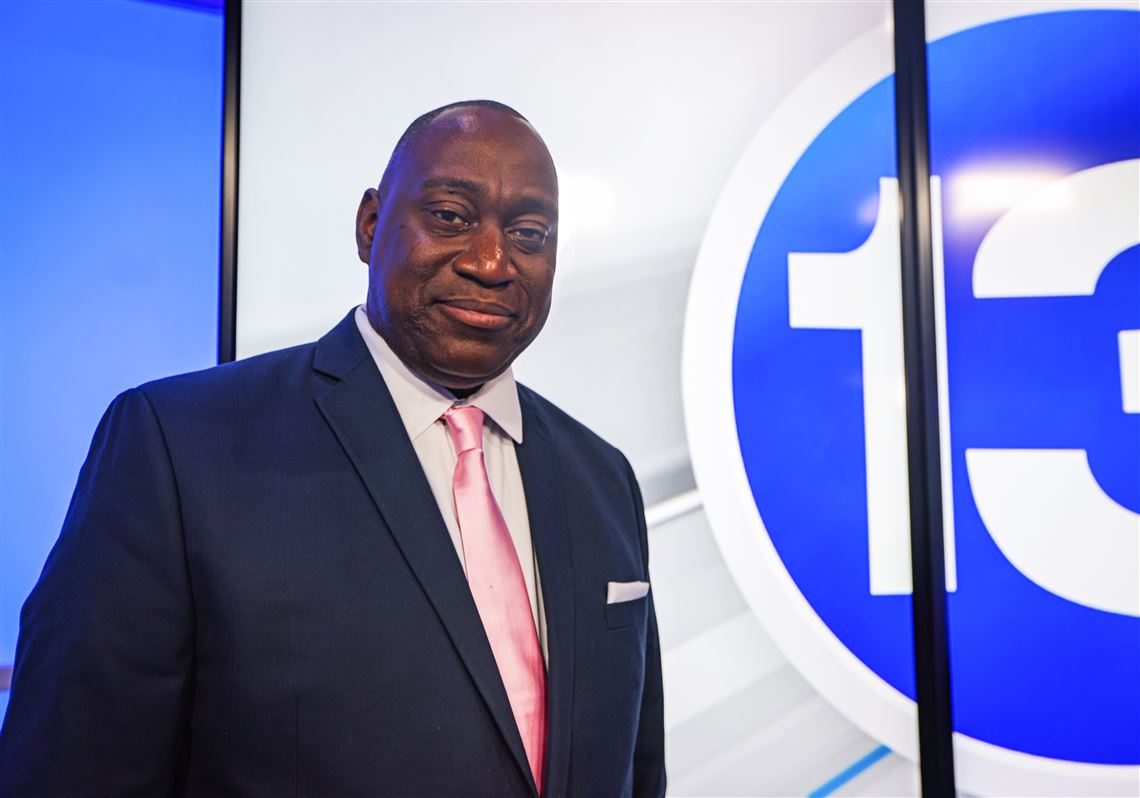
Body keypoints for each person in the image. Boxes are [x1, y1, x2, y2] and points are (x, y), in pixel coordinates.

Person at [0, 100, 666, 797]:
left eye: (528, 233)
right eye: (450, 216)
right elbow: (71, 771)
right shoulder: (177, 447)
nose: (492, 262)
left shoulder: (603, 479)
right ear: (370, 225)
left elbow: (639, 770)